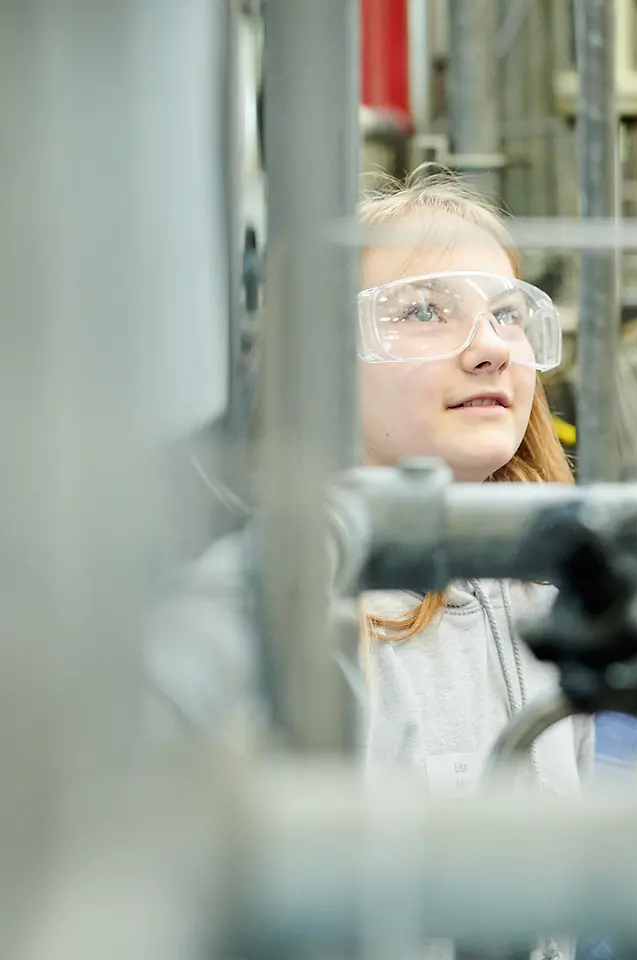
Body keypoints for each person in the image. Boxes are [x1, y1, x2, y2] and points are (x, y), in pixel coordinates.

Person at [147, 167, 593, 804]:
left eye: (506, 313)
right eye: (424, 311)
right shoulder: (294, 622)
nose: (489, 349)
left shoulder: (551, 603)